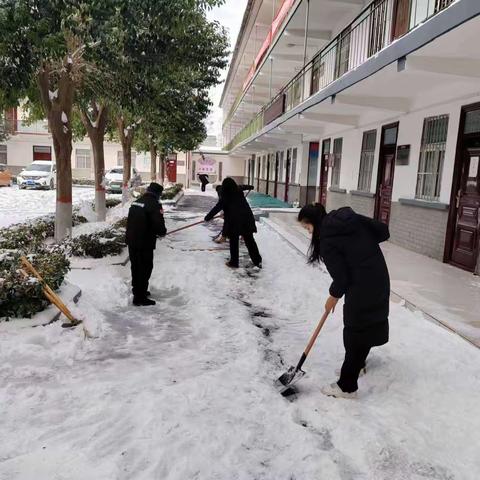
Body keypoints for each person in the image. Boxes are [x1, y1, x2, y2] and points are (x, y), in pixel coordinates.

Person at [298, 203, 390, 399]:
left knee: (355, 331)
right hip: (378, 277)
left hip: (363, 285)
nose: (308, 233)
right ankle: (358, 365)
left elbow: (342, 278)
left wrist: (333, 296)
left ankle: (347, 386)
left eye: (307, 228)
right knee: (367, 324)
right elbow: (382, 231)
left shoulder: (328, 240)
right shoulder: (347, 220)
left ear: (314, 222)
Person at [205, 177, 261, 269]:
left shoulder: (225, 195)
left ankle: (234, 262)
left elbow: (217, 207)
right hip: (247, 218)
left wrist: (208, 217)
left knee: (234, 241)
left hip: (234, 221)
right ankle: (257, 261)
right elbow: (244, 186)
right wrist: (251, 186)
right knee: (250, 241)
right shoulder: (238, 190)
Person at [126, 182, 167, 306]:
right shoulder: (154, 205)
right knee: (145, 268)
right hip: (144, 243)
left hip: (132, 240)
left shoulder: (137, 201)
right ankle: (140, 297)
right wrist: (162, 232)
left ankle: (138, 291)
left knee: (136, 267)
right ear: (158, 194)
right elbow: (158, 225)